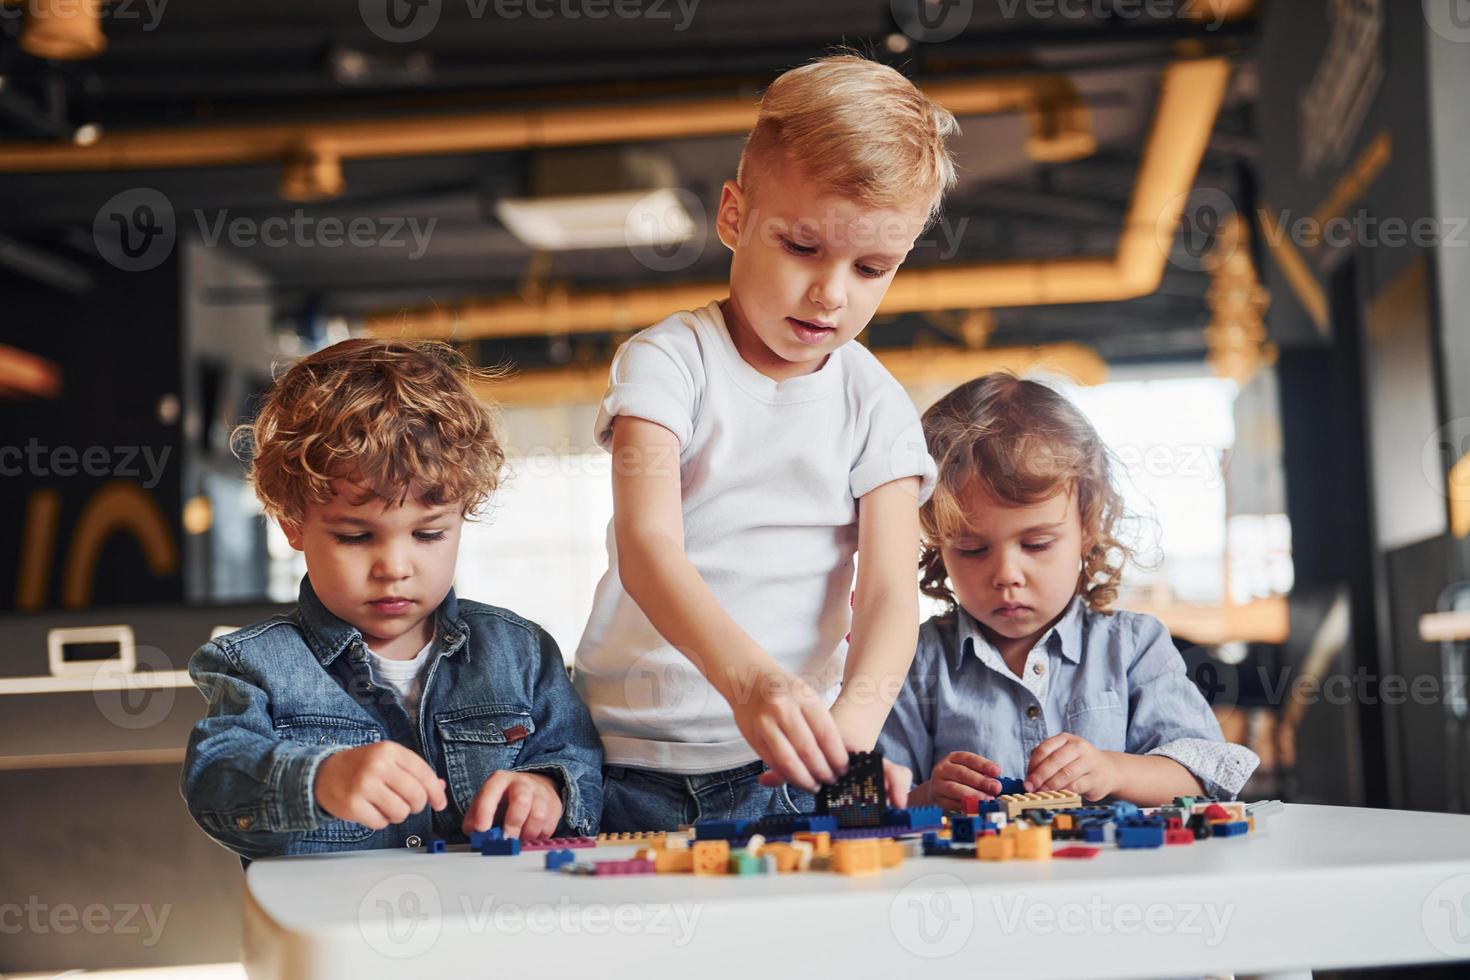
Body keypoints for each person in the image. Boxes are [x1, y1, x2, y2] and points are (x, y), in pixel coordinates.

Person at [575, 53, 958, 830]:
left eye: (872, 266)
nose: (831, 292)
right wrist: (751, 684)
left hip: (785, 765)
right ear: (733, 216)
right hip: (629, 757)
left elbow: (888, 594)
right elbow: (649, 547)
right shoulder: (666, 364)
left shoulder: (875, 402)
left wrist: (845, 737)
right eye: (802, 247)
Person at [181, 339, 603, 861]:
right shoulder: (253, 664)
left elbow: (577, 757)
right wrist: (320, 781)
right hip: (337, 936)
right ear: (293, 525)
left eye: (428, 535)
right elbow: (216, 784)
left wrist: (548, 790)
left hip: (493, 926)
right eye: (356, 537)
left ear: (462, 517)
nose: (395, 568)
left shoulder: (519, 651)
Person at [879, 374, 1259, 809]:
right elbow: (874, 801)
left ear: (1087, 526)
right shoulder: (914, 659)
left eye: (1037, 544)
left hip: (1113, 875)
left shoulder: (1133, 647)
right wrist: (927, 796)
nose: (1006, 574)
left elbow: (1203, 778)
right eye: (971, 549)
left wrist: (1114, 770)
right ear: (937, 546)